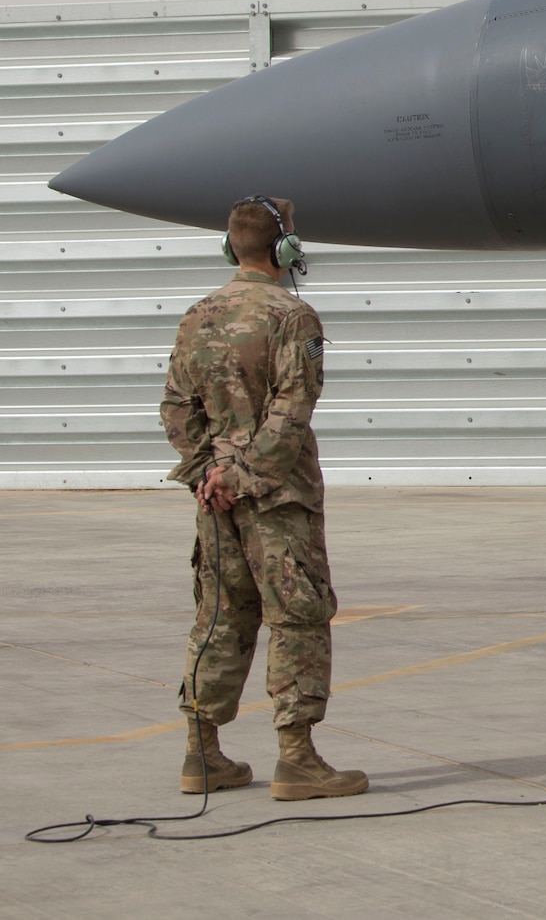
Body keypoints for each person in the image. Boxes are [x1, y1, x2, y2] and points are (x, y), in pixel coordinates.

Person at [160, 196, 367, 802]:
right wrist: (246, 475)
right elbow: (292, 409)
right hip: (278, 499)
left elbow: (176, 406)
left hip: (215, 499)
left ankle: (202, 753)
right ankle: (298, 759)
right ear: (285, 250)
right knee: (297, 615)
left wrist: (211, 471)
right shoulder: (294, 318)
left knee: (220, 614)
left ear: (231, 248)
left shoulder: (197, 316)